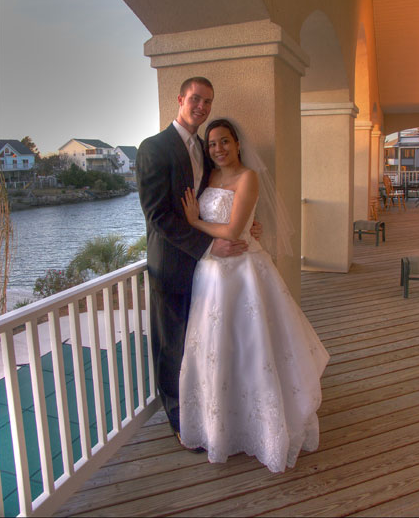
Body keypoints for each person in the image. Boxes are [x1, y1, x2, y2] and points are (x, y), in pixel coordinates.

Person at [179, 118, 330, 473]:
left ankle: (264, 429)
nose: (218, 149)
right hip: (212, 276)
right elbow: (236, 224)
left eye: (225, 142)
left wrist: (194, 221)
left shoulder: (248, 176)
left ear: (237, 144)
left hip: (244, 274)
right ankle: (221, 428)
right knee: (217, 349)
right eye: (212, 143)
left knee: (254, 348)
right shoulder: (207, 178)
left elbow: (233, 229)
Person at [136, 78, 260, 444]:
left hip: (207, 271)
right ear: (180, 100)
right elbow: (158, 215)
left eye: (207, 101)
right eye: (195, 99)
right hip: (174, 266)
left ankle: (208, 410)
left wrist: (249, 223)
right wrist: (208, 247)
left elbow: (220, 199)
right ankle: (180, 424)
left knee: (203, 343)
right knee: (172, 345)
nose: (201, 107)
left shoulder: (205, 152)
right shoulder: (153, 148)